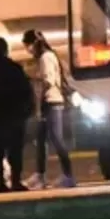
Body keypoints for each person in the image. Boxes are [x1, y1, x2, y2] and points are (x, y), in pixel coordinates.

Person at [21, 30, 76, 189]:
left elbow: (48, 81)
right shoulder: (48, 56)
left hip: (51, 102)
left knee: (57, 139)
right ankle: (40, 175)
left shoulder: (46, 57)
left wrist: (39, 102)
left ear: (33, 44)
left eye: (27, 46)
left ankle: (68, 175)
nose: (28, 50)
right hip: (51, 101)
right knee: (41, 139)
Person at [0, 37, 33, 193]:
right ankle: (16, 180)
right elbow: (25, 90)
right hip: (14, 114)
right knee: (15, 150)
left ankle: (0, 182)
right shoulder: (14, 68)